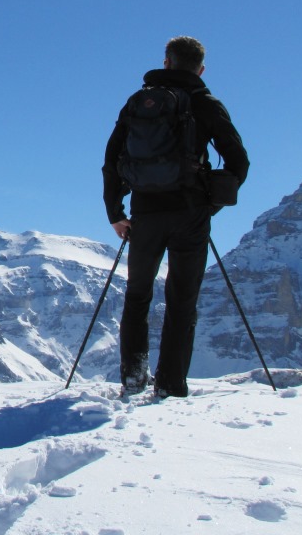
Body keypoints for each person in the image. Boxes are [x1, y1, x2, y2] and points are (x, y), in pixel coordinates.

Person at [102, 36, 249, 398]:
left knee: (138, 296)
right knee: (182, 299)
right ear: (200, 69)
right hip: (189, 214)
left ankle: (133, 379)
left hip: (144, 213)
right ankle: (170, 384)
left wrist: (116, 214)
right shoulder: (205, 103)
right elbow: (238, 162)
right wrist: (208, 204)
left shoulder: (139, 103)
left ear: (166, 62)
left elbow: (112, 159)